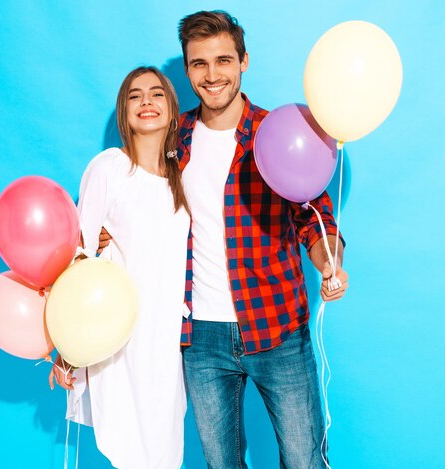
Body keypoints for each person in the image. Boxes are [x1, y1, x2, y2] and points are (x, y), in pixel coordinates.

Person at [176, 11, 349, 468]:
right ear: (188, 68)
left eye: (223, 60)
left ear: (244, 62)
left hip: (276, 326)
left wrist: (330, 263)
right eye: (199, 64)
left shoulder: (280, 132)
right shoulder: (175, 140)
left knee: (303, 459)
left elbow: (317, 221)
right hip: (201, 339)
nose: (212, 75)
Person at [48, 66, 191, 469]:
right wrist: (68, 345)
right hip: (120, 337)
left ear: (172, 109)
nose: (147, 101)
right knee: (128, 448)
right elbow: (77, 255)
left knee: (164, 450)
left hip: (166, 341)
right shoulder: (110, 168)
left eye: (157, 93)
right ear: (123, 112)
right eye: (135, 95)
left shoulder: (183, 178)